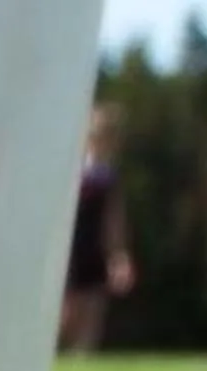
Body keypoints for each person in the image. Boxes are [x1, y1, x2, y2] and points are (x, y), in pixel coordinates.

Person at [60, 104, 135, 355]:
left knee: (90, 321)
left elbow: (113, 221)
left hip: (94, 251)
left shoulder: (107, 177)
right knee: (66, 316)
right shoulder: (69, 168)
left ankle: (81, 364)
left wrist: (119, 258)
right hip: (67, 251)